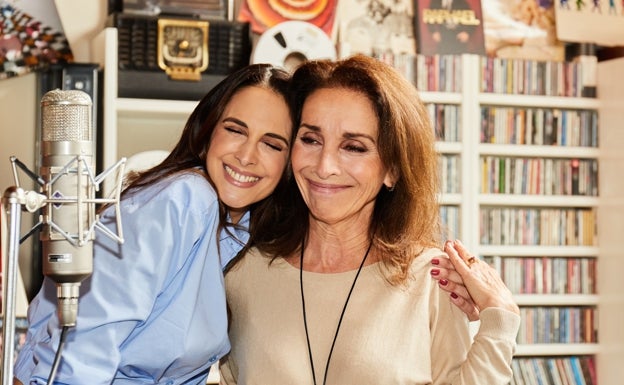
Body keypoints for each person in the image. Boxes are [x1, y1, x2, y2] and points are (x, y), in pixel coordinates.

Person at [219, 55, 521, 384]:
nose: (324, 166)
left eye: (354, 147)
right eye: (311, 140)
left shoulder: (432, 277)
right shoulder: (242, 271)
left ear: (392, 169)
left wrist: (501, 319)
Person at [13, 63, 294, 385]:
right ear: (207, 132)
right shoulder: (184, 198)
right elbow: (83, 345)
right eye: (235, 130)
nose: (247, 155)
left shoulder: (239, 227)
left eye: (272, 144)